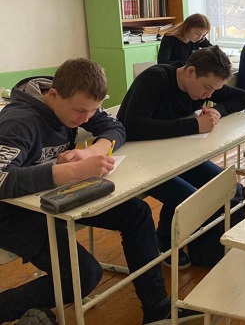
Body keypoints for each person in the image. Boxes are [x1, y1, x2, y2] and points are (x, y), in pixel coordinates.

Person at [0, 58, 181, 324]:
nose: (85, 119)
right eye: (80, 112)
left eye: (93, 110)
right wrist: (72, 171)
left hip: (54, 197)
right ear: (53, 95)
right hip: (12, 214)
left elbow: (115, 127)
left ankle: (157, 308)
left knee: (137, 213)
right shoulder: (19, 122)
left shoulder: (77, 101)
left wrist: (93, 152)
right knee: (83, 276)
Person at [117, 46, 245, 269]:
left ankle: (212, 246)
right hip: (138, 162)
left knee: (227, 185)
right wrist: (194, 125)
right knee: (191, 198)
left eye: (214, 90)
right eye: (207, 88)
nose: (208, 96)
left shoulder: (203, 84)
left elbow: (243, 98)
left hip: (177, 156)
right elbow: (133, 126)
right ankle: (166, 240)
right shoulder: (155, 79)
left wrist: (218, 110)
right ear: (190, 71)